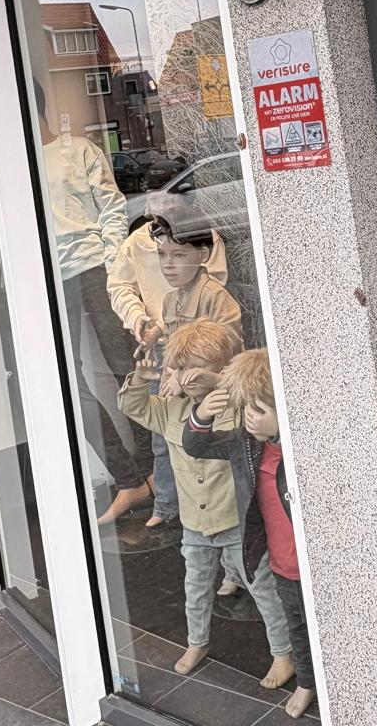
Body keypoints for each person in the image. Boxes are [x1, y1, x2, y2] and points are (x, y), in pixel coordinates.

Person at [117, 321, 295, 684]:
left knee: (263, 589)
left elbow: (257, 398)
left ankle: (283, 653)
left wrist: (220, 383)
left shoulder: (237, 406)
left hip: (237, 522)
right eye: (182, 367)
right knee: (195, 590)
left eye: (200, 366)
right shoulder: (171, 409)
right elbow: (133, 406)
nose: (190, 375)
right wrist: (140, 379)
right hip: (195, 525)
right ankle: (196, 642)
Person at [33, 82, 148, 522]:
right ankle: (129, 478)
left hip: (95, 269)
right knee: (66, 379)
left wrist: (112, 265)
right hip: (49, 280)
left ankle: (157, 473)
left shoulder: (78, 150)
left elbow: (112, 207)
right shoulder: (12, 165)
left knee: (126, 365)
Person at [186, 348, 317, 718]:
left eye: (260, 408)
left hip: (315, 563)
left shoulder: (299, 443)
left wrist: (279, 431)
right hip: (282, 565)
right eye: (246, 408)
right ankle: (307, 680)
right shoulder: (246, 445)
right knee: (297, 625)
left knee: (324, 624)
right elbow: (196, 444)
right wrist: (203, 412)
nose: (251, 417)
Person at [108, 206, 232, 529]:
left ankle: (208, 519)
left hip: (207, 377)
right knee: (165, 437)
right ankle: (168, 505)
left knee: (208, 446)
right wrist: (145, 327)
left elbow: (224, 343)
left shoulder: (213, 295)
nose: (167, 265)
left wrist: (183, 372)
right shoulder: (167, 295)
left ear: (200, 255)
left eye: (176, 255)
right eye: (162, 255)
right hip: (172, 366)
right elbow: (121, 287)